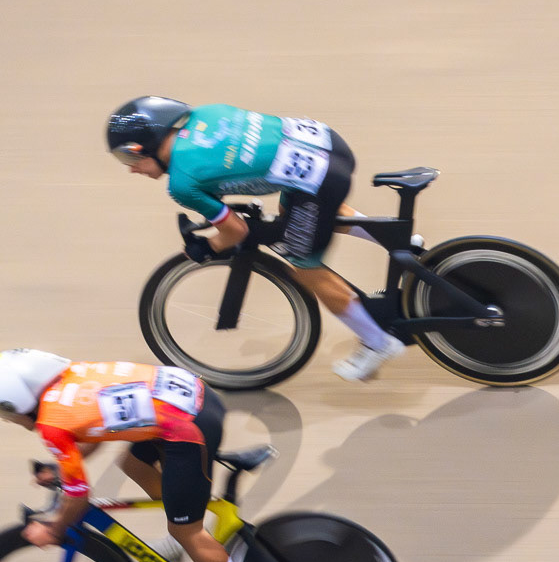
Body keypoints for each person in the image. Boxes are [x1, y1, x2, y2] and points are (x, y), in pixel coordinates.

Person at [0, 349, 273, 562]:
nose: (7, 420)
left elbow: (79, 498)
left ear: (19, 403)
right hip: (197, 398)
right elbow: (90, 432)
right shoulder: (71, 377)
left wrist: (54, 530)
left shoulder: (52, 423)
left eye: (5, 412)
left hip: (187, 429)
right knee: (133, 464)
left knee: (187, 531)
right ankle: (184, 519)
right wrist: (63, 467)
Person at [107, 96, 405, 382]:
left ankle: (377, 342)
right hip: (329, 144)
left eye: (128, 157)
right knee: (303, 208)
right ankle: (403, 243)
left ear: (148, 145)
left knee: (305, 267)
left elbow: (237, 231)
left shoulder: (182, 183)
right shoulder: (208, 113)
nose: (131, 168)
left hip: (318, 180)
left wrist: (206, 246)